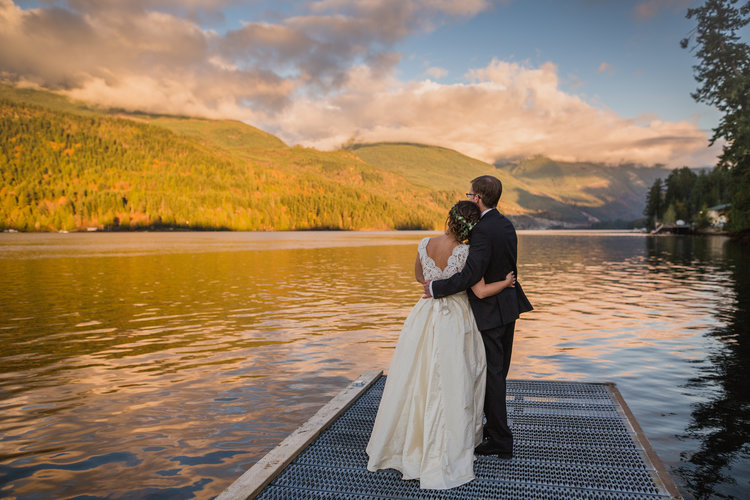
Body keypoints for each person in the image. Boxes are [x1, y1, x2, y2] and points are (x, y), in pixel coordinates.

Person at [366, 201, 515, 490]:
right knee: (456, 377)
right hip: (456, 318)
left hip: (424, 315)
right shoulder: (467, 252)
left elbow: (420, 278)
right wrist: (506, 282)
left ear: (449, 219)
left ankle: (406, 442)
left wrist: (435, 280)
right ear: (473, 227)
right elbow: (481, 290)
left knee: (416, 376)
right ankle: (448, 441)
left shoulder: (424, 243)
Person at [424, 175, 532, 459]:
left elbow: (471, 275)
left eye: (470, 193)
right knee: (498, 373)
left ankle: (500, 440)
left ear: (478, 198)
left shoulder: (482, 231)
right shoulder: (506, 224)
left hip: (490, 312)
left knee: (492, 377)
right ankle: (495, 432)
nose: (469, 196)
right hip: (508, 306)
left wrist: (436, 288)